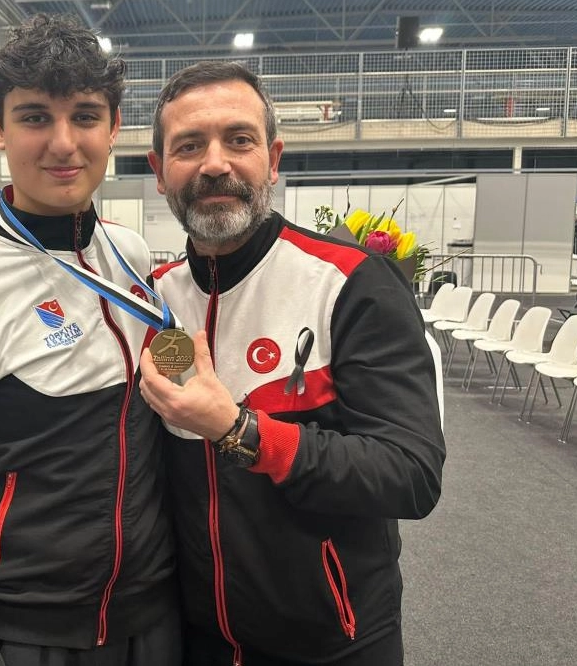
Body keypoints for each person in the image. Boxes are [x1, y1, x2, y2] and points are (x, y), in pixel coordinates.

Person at [0, 14, 178, 665]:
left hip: (154, 618)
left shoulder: (130, 255)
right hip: (29, 633)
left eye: (85, 116)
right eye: (36, 117)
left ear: (114, 127)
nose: (64, 144)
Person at [140, 61, 446, 665]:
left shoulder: (351, 283)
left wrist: (240, 430)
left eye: (239, 140)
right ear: (159, 171)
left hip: (335, 640)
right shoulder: (153, 298)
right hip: (198, 638)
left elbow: (411, 473)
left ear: (273, 159)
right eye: (189, 146)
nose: (215, 164)